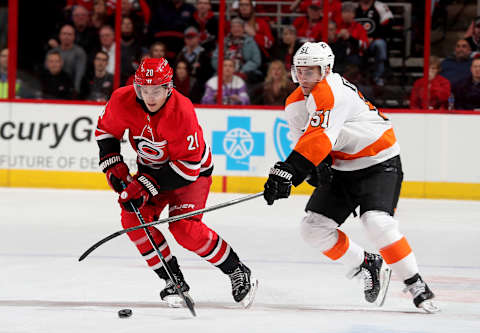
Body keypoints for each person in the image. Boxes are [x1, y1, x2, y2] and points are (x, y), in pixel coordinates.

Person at [263, 42, 439, 313]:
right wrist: (311, 168)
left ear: (327, 70)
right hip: (343, 168)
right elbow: (306, 143)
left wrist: (290, 171)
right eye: (300, 71)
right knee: (313, 228)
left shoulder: (332, 90)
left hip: (378, 162)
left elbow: (319, 139)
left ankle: (415, 283)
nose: (304, 78)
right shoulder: (295, 104)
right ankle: (365, 263)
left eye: (311, 71)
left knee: (377, 222)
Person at [95, 57, 257, 308]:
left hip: (190, 174)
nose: (149, 97)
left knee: (185, 230)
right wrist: (114, 167)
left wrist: (142, 186)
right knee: (132, 218)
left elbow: (187, 169)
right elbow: (106, 132)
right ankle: (173, 280)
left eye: (156, 90)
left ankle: (236, 269)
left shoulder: (182, 111)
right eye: (143, 89)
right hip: (152, 170)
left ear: (168, 88)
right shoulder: (122, 99)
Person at [355, 0, 393, 86]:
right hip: (356, 41)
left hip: (374, 41)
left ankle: (379, 76)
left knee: (380, 44)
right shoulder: (354, 7)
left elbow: (388, 27)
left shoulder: (381, 6)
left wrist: (374, 37)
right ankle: (354, 76)